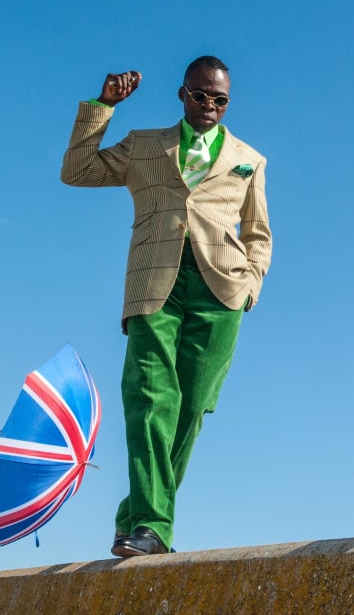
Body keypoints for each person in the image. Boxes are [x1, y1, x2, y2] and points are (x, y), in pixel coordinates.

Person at [60, 55, 272, 557]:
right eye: (199, 95)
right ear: (182, 95)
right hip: (155, 285)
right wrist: (103, 107)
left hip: (221, 291)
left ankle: (134, 516)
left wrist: (251, 285)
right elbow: (77, 171)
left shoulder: (249, 158)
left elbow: (258, 232)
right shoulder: (145, 145)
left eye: (219, 99)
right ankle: (154, 527)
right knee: (150, 397)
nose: (208, 106)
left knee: (190, 409)